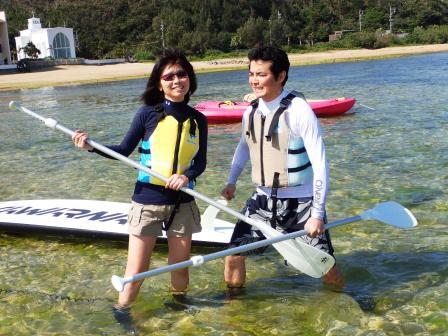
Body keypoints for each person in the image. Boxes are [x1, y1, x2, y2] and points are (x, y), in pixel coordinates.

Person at [72, 49, 208, 312]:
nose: (177, 80)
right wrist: (91, 146)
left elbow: (200, 162)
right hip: (148, 202)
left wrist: (186, 176)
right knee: (137, 271)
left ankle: (178, 310)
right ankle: (122, 311)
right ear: (159, 83)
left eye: (182, 74)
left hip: (184, 203)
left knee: (180, 268)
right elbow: (122, 151)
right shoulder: (147, 114)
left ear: (190, 78)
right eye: (169, 76)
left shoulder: (198, 119)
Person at [221, 46, 344, 290]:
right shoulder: (251, 111)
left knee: (324, 267)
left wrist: (317, 214)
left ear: (281, 76)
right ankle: (234, 309)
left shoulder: (299, 110)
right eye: (251, 74)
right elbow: (244, 147)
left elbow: (320, 164)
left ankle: (346, 299)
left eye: (261, 75)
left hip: (302, 204)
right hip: (262, 201)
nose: (254, 81)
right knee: (234, 256)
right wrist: (232, 181)